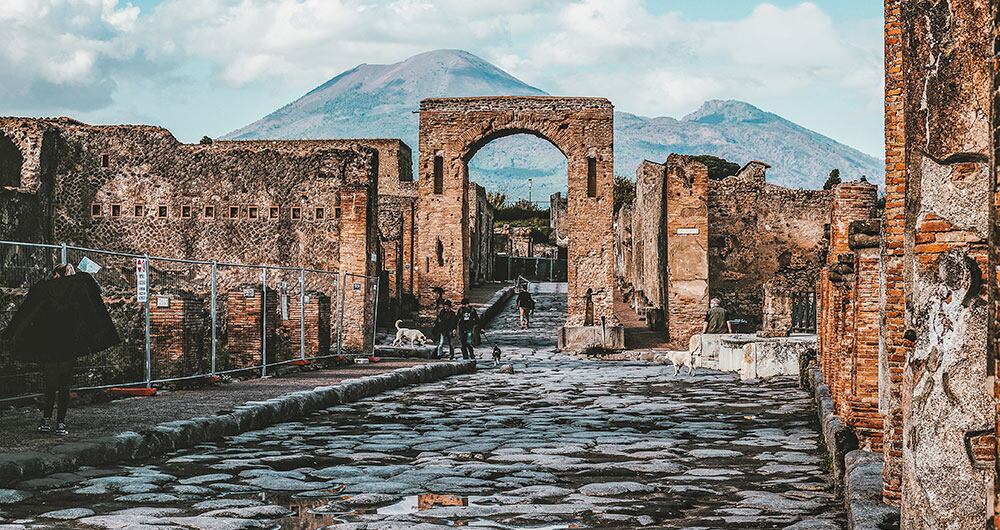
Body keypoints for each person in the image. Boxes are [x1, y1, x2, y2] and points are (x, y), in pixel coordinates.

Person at [1, 263, 120, 436]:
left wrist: (12, 332)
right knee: (64, 386)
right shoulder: (78, 291)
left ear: (57, 274)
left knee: (50, 385)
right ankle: (61, 423)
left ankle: (46, 420)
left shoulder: (45, 289)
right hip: (69, 344)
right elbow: (94, 297)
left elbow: (29, 312)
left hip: (50, 343)